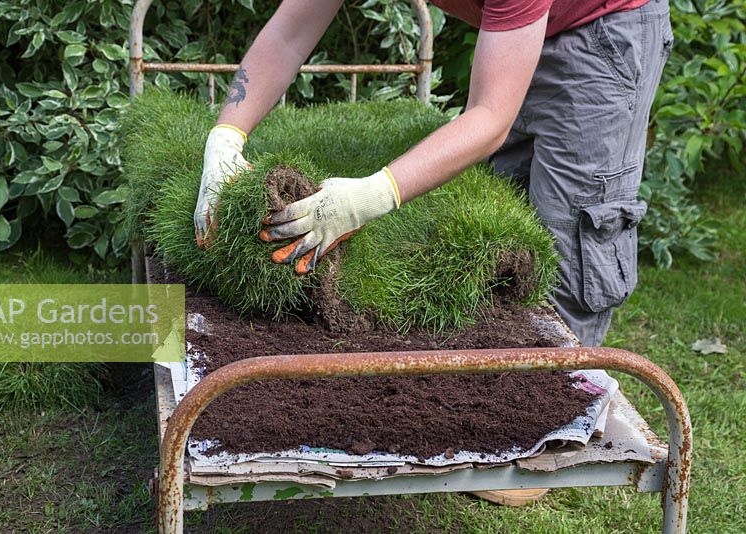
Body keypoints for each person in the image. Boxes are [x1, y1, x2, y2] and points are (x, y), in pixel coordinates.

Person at [194, 0, 673, 506]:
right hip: (517, 31)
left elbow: (488, 117)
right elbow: (291, 30)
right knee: (508, 212)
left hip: (602, 31)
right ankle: (503, 399)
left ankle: (549, 436)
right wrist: (226, 137)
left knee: (569, 223)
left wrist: (374, 194)